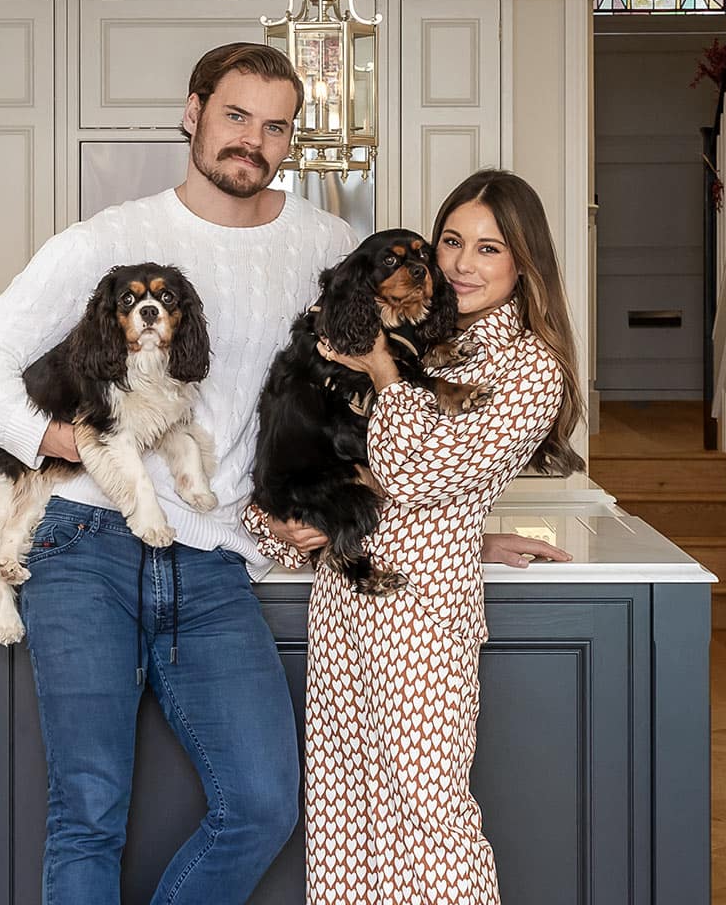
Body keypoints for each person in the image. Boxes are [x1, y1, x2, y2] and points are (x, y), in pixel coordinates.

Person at [0, 41, 343, 902]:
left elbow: (359, 393)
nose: (253, 142)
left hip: (217, 559)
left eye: (276, 127)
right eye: (235, 116)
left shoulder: (325, 244)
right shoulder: (110, 241)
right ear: (193, 112)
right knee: (88, 812)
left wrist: (381, 506)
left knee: (265, 802)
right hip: (84, 548)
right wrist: (72, 445)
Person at [249, 168, 586, 905]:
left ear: (524, 265)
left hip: (422, 619)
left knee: (430, 819)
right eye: (453, 242)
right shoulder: (426, 344)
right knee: (345, 818)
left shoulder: (530, 369)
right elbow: (311, 457)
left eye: (490, 249)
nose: (463, 264)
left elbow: (419, 473)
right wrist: (278, 526)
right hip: (343, 610)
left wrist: (379, 370)